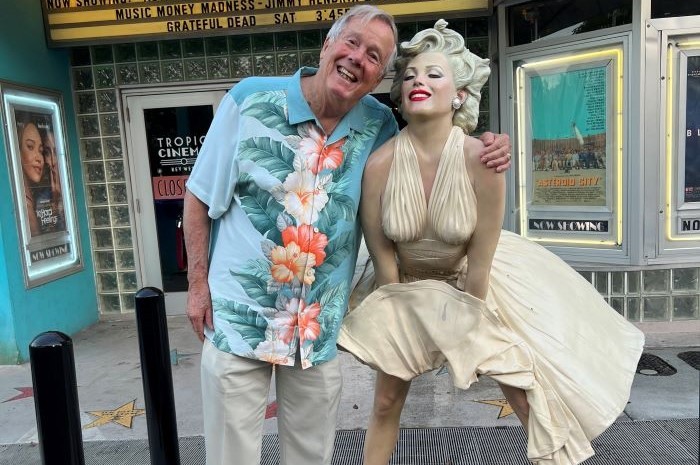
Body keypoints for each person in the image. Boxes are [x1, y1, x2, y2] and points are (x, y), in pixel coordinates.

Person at [183, 6, 512, 465]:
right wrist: (197, 286)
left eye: (374, 56)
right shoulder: (249, 101)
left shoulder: (378, 126)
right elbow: (199, 197)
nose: (359, 58)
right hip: (240, 320)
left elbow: (433, 143)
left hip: (316, 333)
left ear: (379, 76)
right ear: (327, 46)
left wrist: (489, 144)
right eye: (352, 42)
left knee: (311, 455)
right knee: (229, 456)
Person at [337, 20, 645, 465]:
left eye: (434, 74)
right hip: (400, 290)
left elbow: (480, 262)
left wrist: (464, 333)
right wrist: (407, 322)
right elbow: (384, 258)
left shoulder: (483, 159)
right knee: (385, 403)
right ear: (401, 97)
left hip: (476, 289)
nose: (418, 81)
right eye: (409, 76)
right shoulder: (379, 164)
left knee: (528, 397)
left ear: (459, 94)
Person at [18, 119, 45, 237]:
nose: (39, 158)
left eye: (41, 151)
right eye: (30, 147)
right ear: (17, 151)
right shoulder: (24, 207)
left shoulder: (29, 200)